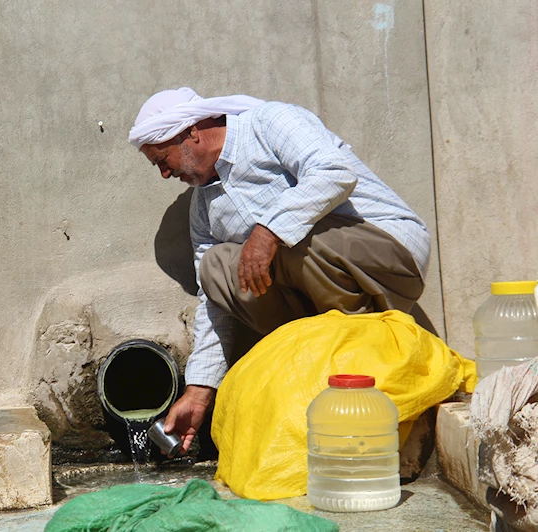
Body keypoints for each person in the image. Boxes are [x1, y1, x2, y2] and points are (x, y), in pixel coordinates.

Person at [128, 87, 430, 455]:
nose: (163, 173)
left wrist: (269, 231)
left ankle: (363, 340)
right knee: (214, 267)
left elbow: (334, 172)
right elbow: (213, 303)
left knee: (292, 234)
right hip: (323, 288)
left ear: (191, 132)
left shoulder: (269, 122)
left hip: (385, 259)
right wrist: (199, 390)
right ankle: (324, 346)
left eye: (163, 158)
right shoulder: (203, 208)